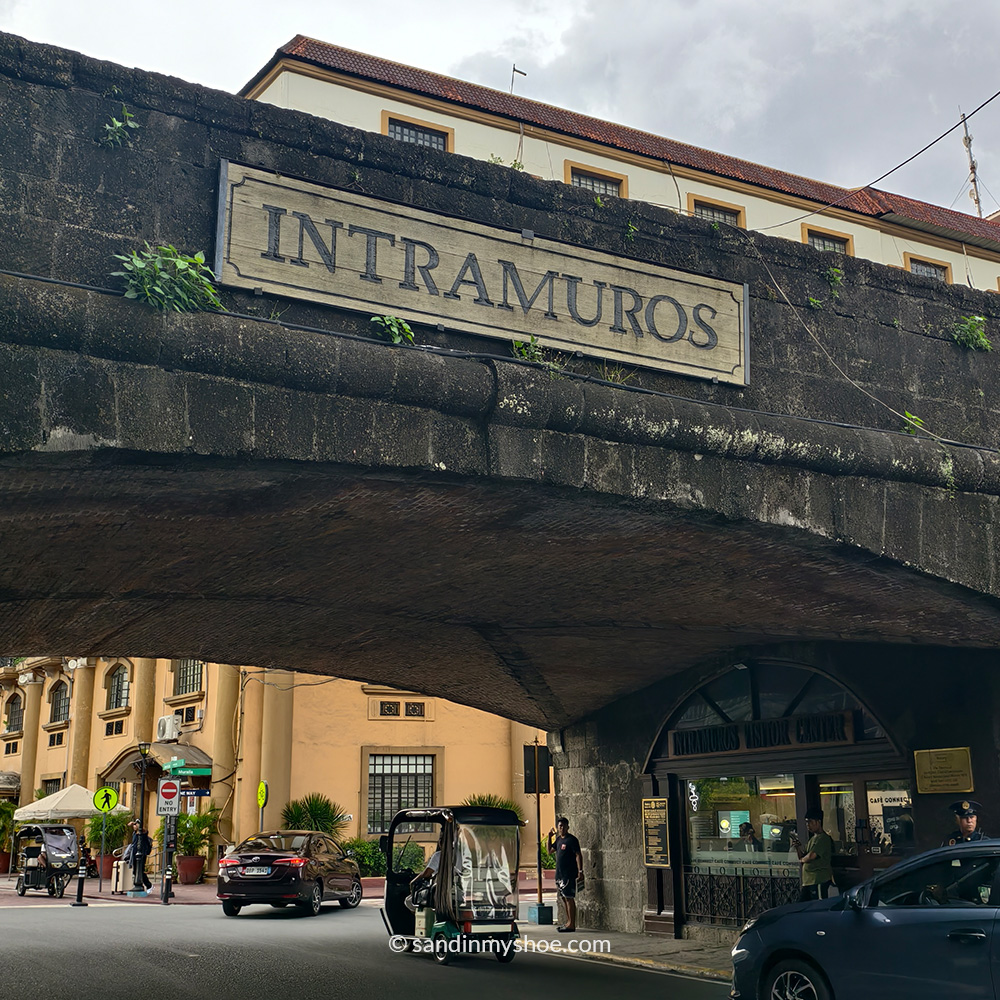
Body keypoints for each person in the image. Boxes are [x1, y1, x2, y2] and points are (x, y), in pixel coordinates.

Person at [547, 816, 584, 932]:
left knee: (569, 898)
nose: (561, 828)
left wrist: (580, 871)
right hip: (560, 874)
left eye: (563, 826)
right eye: (560, 826)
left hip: (569, 874)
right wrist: (549, 838)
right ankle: (568, 922)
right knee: (563, 898)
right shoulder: (558, 840)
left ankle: (572, 924)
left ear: (568, 827)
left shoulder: (572, 840)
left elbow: (578, 855)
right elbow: (550, 851)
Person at [792, 807, 833, 902]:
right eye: (806, 822)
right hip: (807, 881)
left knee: (818, 905)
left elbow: (811, 856)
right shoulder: (812, 839)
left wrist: (802, 860)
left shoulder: (823, 839)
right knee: (802, 905)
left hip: (818, 880)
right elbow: (803, 856)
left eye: (810, 822)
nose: (808, 825)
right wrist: (797, 847)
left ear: (818, 822)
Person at [128, 818, 153, 891]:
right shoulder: (134, 834)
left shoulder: (143, 834)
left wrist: (135, 824)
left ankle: (148, 885)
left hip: (141, 854)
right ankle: (139, 884)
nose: (134, 826)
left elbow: (144, 831)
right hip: (134, 854)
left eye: (136, 825)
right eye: (134, 825)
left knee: (140, 871)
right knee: (135, 871)